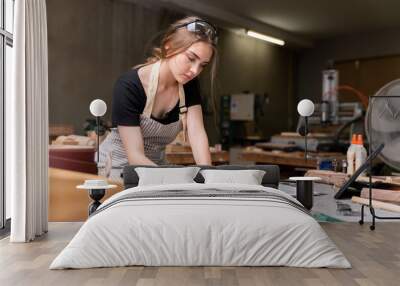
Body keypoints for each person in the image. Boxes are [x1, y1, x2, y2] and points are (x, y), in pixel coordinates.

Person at [98, 16, 218, 181]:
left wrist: (209, 179)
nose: (195, 71)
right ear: (169, 47)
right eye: (191, 59)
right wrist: (177, 182)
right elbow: (135, 156)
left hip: (157, 167)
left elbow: (197, 135)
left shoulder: (189, 85)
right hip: (119, 169)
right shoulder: (130, 85)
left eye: (202, 65)